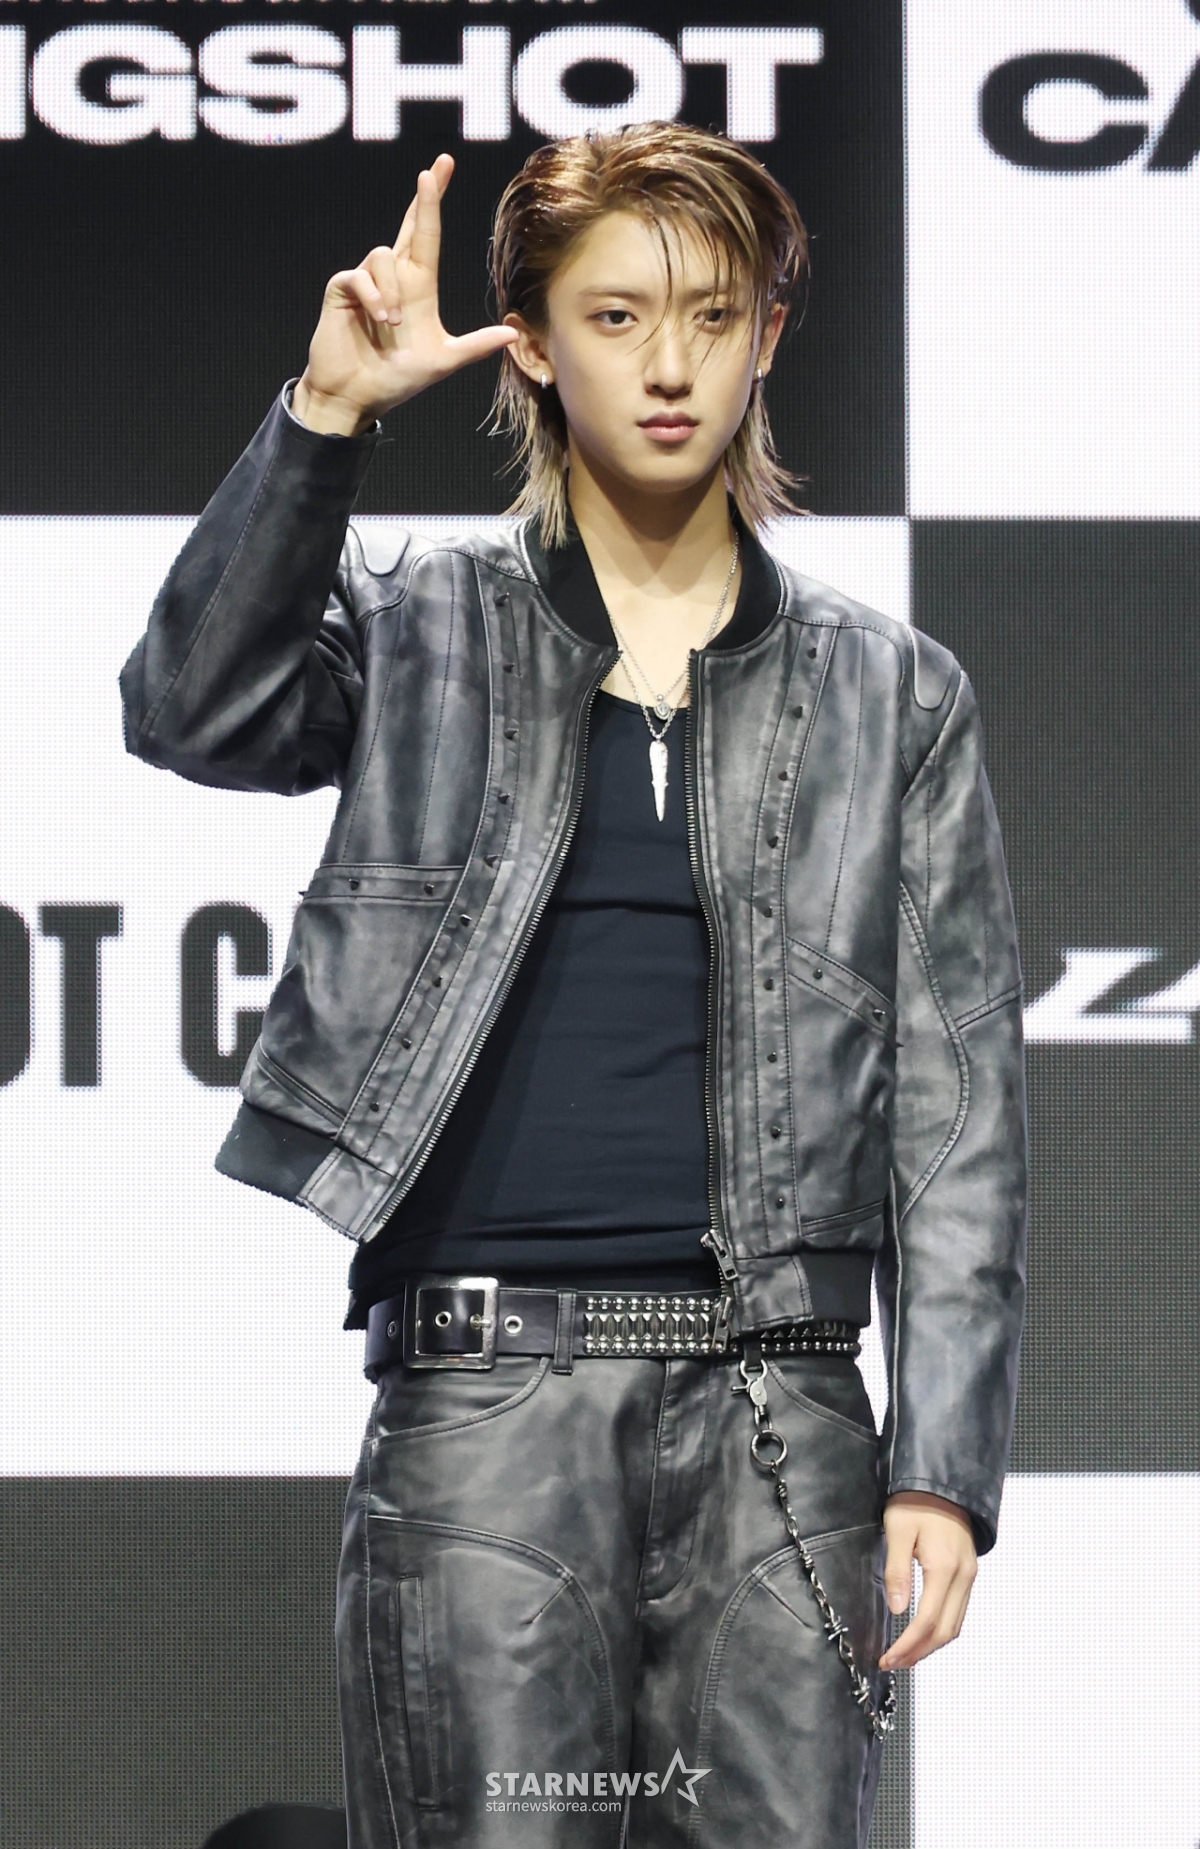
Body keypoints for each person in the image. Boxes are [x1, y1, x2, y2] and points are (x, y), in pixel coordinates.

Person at [120, 123, 1027, 1849]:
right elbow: (190, 708)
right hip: (489, 1404)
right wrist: (324, 420)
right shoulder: (419, 622)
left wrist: (942, 1466)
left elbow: (958, 1102)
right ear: (532, 343)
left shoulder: (894, 692)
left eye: (711, 314)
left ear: (769, 334)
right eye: (616, 317)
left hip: (789, 1416)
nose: (669, 364)